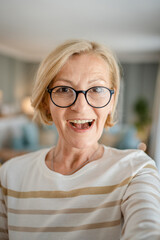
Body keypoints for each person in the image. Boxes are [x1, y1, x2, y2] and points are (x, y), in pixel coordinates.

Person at [0, 39, 160, 240]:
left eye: (97, 89)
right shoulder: (9, 176)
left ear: (111, 101)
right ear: (46, 101)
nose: (81, 107)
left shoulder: (135, 170)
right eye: (64, 90)